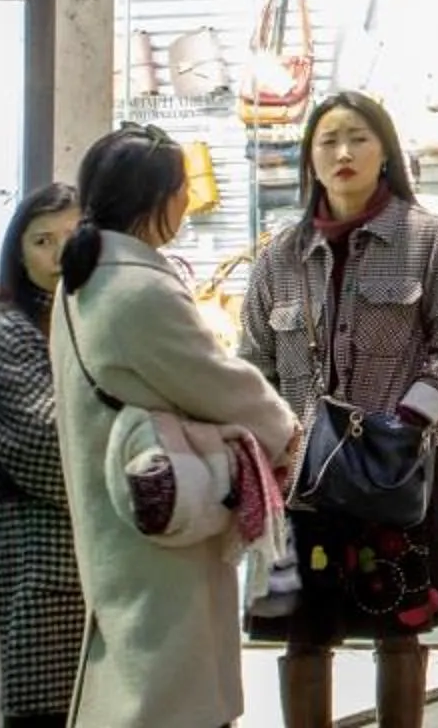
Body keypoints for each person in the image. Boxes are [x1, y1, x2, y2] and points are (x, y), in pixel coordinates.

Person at [239, 92, 438, 728]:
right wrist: (278, 441)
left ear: (385, 150)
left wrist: (406, 426)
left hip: (394, 470)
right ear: (309, 157)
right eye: (328, 140)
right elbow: (253, 363)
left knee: (398, 627)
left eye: (359, 137)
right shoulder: (278, 257)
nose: (343, 153)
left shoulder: (424, 239)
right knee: (303, 633)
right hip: (302, 478)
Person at [51, 126, 297, 728]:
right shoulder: (138, 291)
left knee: (137, 675)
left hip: (121, 517)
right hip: (163, 520)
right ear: (155, 199)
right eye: (183, 188)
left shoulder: (81, 282)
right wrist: (284, 431)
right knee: (169, 693)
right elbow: (218, 382)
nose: (188, 201)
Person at [0, 185, 79, 728]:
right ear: (18, 251)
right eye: (43, 241)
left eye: (72, 238)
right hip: (44, 554)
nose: (58, 255)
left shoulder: (90, 319)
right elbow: (48, 443)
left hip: (103, 565)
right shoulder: (5, 329)